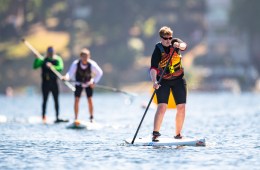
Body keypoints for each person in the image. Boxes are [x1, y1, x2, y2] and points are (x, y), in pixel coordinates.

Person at [150, 26, 187, 142]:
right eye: (165, 38)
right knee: (162, 106)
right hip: (163, 81)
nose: (168, 40)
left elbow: (184, 46)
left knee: (181, 107)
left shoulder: (175, 42)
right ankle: (155, 133)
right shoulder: (158, 49)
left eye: (169, 38)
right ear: (161, 38)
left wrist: (179, 46)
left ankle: (178, 134)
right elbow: (153, 68)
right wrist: (154, 82)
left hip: (178, 80)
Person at [63, 48, 103, 124]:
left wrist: (94, 82)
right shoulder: (76, 64)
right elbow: (70, 73)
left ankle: (91, 118)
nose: (85, 58)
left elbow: (100, 73)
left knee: (90, 100)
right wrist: (66, 77)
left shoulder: (92, 64)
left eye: (87, 56)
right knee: (77, 99)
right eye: (84, 57)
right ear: (81, 57)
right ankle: (76, 118)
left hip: (88, 84)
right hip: (78, 84)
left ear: (89, 56)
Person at [33, 46, 68, 123]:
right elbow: (35, 66)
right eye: (49, 52)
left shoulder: (57, 59)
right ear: (47, 52)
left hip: (54, 83)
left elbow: (60, 68)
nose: (50, 54)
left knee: (56, 100)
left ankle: (57, 117)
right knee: (45, 100)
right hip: (45, 83)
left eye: (52, 52)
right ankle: (43, 116)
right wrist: (36, 59)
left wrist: (52, 66)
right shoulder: (42, 60)